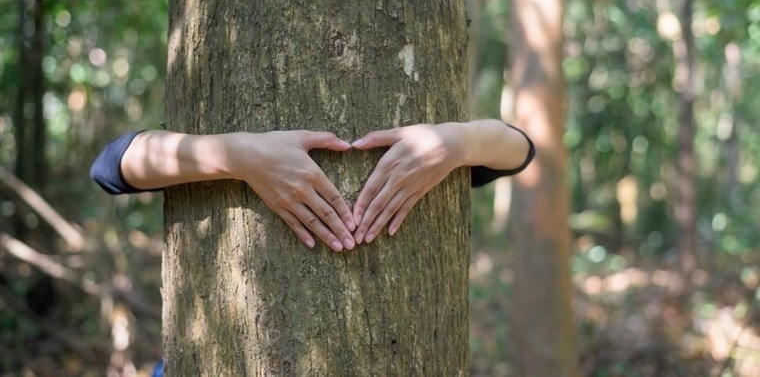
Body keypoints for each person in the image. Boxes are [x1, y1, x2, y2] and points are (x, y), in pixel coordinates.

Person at [91, 119, 534, 250]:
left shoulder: (438, 159)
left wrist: (457, 142)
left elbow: (521, 150)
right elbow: (113, 165)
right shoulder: (211, 125)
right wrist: (240, 154)